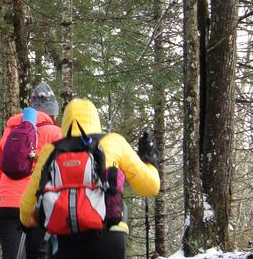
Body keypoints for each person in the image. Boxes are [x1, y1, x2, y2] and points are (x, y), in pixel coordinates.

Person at [18, 98, 160, 259]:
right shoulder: (113, 142)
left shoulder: (50, 151)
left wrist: (26, 224)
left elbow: (26, 210)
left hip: (65, 242)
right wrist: (150, 160)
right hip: (109, 238)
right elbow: (151, 187)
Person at [0, 82, 63, 259]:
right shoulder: (56, 133)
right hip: (37, 205)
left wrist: (9, 190)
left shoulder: (12, 130)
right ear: (53, 113)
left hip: (6, 204)